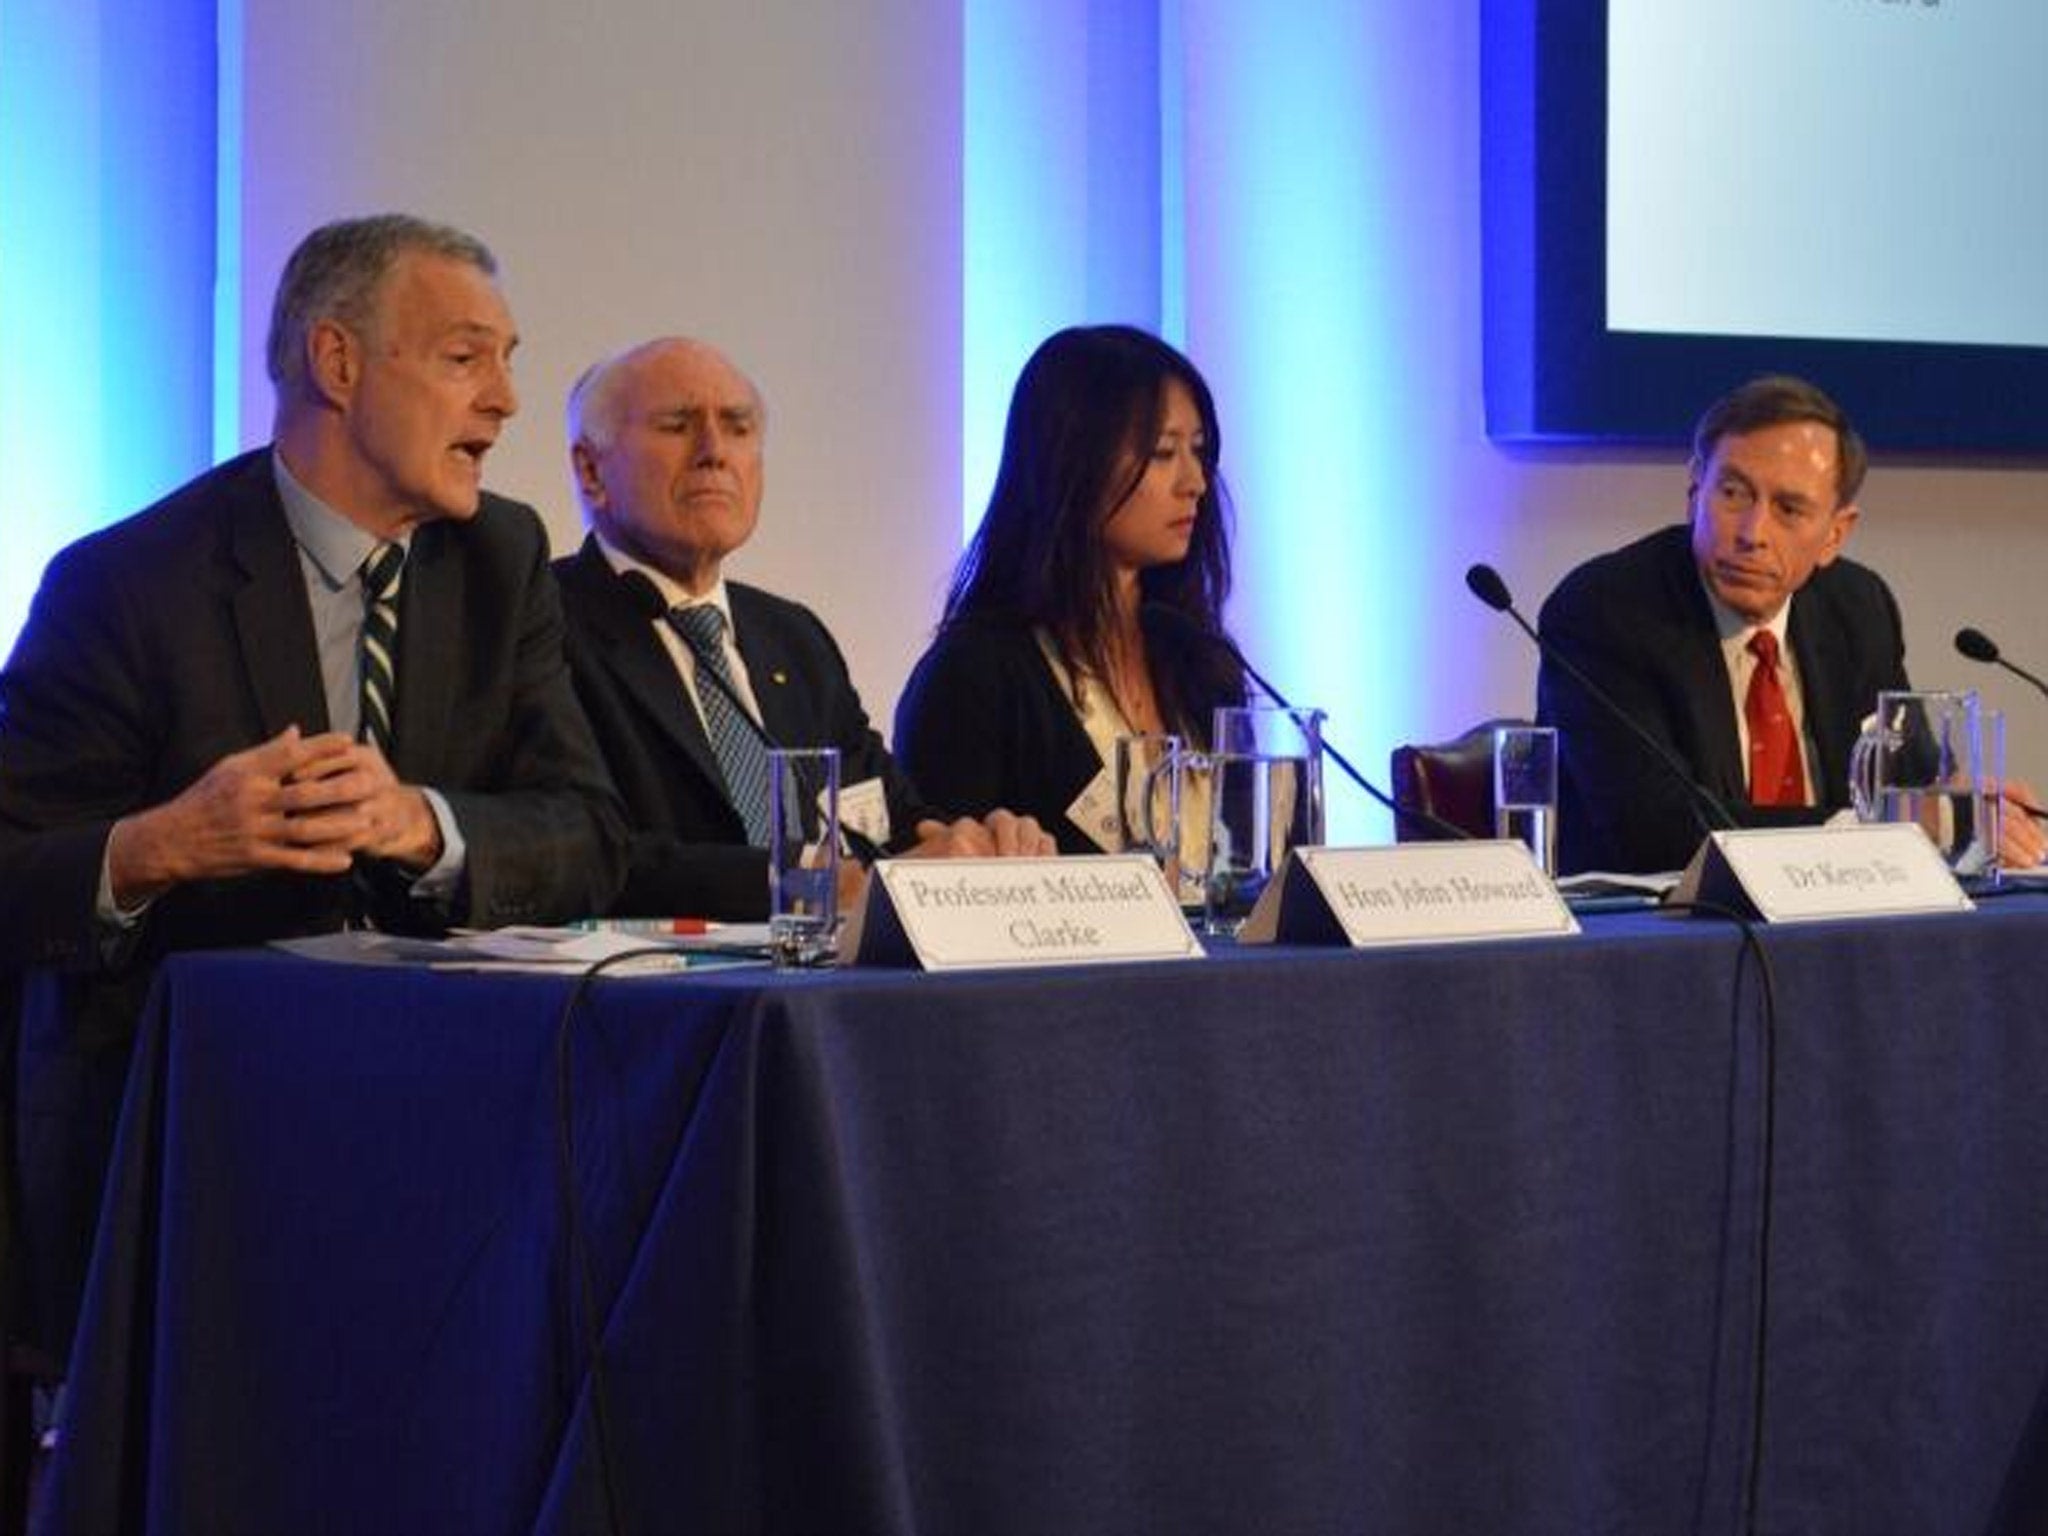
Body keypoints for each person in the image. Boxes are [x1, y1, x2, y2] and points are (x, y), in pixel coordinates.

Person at [0, 214, 627, 1360]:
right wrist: (157, 847)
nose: (504, 401)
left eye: (507, 360)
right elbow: (14, 869)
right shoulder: (128, 585)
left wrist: (423, 825)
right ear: (338, 364)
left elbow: (587, 832)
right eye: (463, 357)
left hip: (453, 1138)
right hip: (188, 1151)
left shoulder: (502, 559)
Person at [555, 336, 1053, 919]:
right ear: (590, 469)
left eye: (738, 428)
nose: (714, 451)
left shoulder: (792, 636)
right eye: (677, 425)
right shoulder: (544, 622)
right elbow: (577, 848)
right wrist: (805, 880)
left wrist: (971, 849)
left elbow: (889, 814)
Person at [1536, 373, 2048, 874]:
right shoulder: (1605, 610)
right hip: (1659, 940)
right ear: (1695, 491)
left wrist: (1965, 807)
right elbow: (1656, 831)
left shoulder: (1857, 607)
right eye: (1733, 493)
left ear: (1835, 534)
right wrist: (1888, 826)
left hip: (1838, 926)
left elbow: (1911, 783)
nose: (1752, 533)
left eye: (1789, 508)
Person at [893, 325, 1243, 876]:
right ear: (1074, 462)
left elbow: (1246, 874)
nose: (1195, 481)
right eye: (1162, 453)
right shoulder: (975, 675)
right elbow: (939, 884)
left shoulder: (1203, 662)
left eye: (1199, 452)